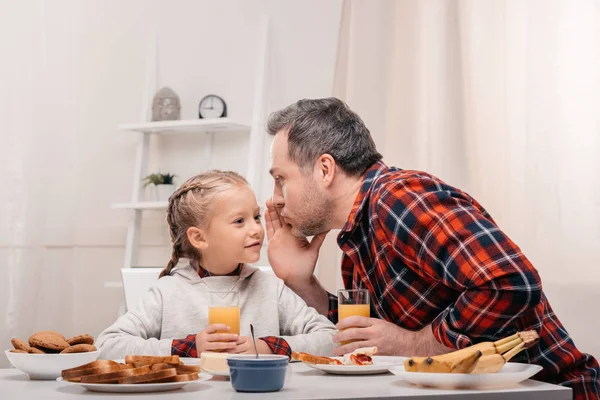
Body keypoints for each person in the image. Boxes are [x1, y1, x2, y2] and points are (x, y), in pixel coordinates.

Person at [264, 97, 600, 399]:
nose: (275, 198)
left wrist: (413, 345)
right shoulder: (361, 231)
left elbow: (511, 282)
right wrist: (301, 282)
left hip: (553, 391)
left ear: (325, 169)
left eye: (281, 179)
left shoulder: (397, 199)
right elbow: (370, 338)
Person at [97, 170, 335, 360]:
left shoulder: (270, 288)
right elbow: (108, 345)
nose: (256, 229)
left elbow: (331, 338)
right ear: (199, 238)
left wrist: (268, 347)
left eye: (256, 217)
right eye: (239, 221)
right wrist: (189, 347)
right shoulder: (168, 292)